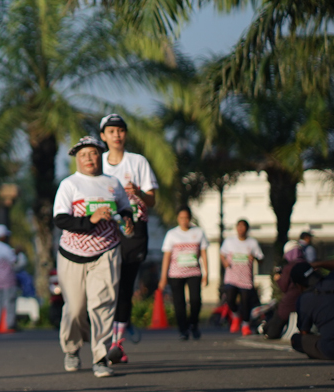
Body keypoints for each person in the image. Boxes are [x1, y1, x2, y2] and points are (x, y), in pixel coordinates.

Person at [53, 135, 133, 378]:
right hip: (72, 254)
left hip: (106, 252)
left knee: (102, 305)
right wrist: (92, 219)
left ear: (101, 156)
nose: (89, 158)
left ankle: (100, 357)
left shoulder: (113, 183)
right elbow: (60, 220)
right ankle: (72, 348)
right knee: (75, 308)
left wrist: (127, 221)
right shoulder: (69, 184)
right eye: (83, 154)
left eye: (94, 153)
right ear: (76, 159)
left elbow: (125, 209)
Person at [99, 114, 158, 363]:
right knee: (105, 287)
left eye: (120, 130)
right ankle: (103, 337)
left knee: (124, 286)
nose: (116, 135)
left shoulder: (138, 162)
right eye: (111, 131)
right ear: (103, 136)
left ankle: (116, 344)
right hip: (104, 231)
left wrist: (139, 193)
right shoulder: (96, 162)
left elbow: (152, 200)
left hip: (134, 231)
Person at [158, 206, 210, 340]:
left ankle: (193, 323)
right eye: (181, 218)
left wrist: (206, 273)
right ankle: (183, 330)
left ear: (190, 218)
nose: (184, 221)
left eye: (186, 218)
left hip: (194, 272)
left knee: (195, 300)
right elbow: (167, 256)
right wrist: (163, 277)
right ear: (177, 219)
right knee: (179, 303)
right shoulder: (172, 234)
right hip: (176, 274)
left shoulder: (198, 232)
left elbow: (204, 253)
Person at [220, 219, 263, 334]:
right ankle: (235, 315)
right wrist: (224, 262)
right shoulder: (229, 241)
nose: (240, 229)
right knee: (230, 299)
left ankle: (245, 325)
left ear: (247, 229)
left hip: (246, 278)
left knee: (245, 303)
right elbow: (222, 254)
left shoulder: (252, 243)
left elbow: (261, 258)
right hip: (231, 277)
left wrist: (254, 257)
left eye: (243, 226)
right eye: (239, 226)